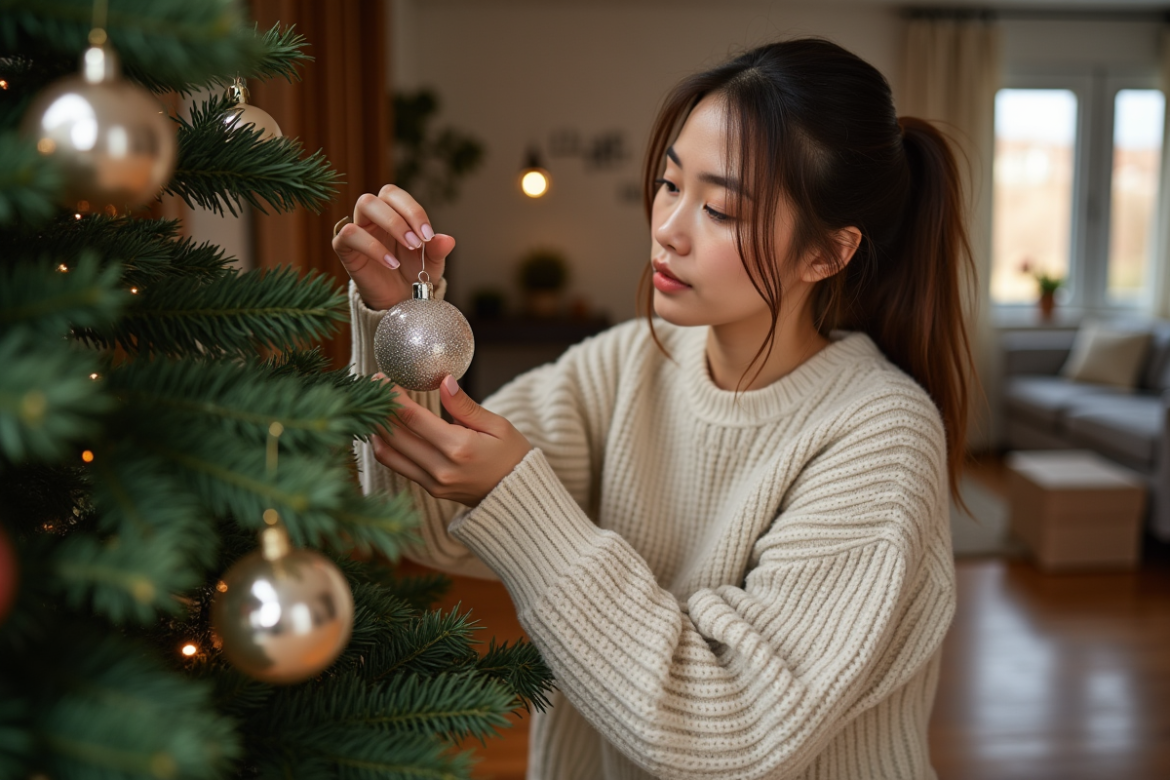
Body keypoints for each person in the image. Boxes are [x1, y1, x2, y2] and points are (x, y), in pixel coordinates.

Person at [333, 37, 974, 780]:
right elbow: (422, 526)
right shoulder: (625, 363)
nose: (669, 228)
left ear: (826, 254)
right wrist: (399, 320)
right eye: (671, 184)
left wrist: (520, 498)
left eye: (722, 209)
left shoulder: (883, 434)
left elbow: (730, 727)